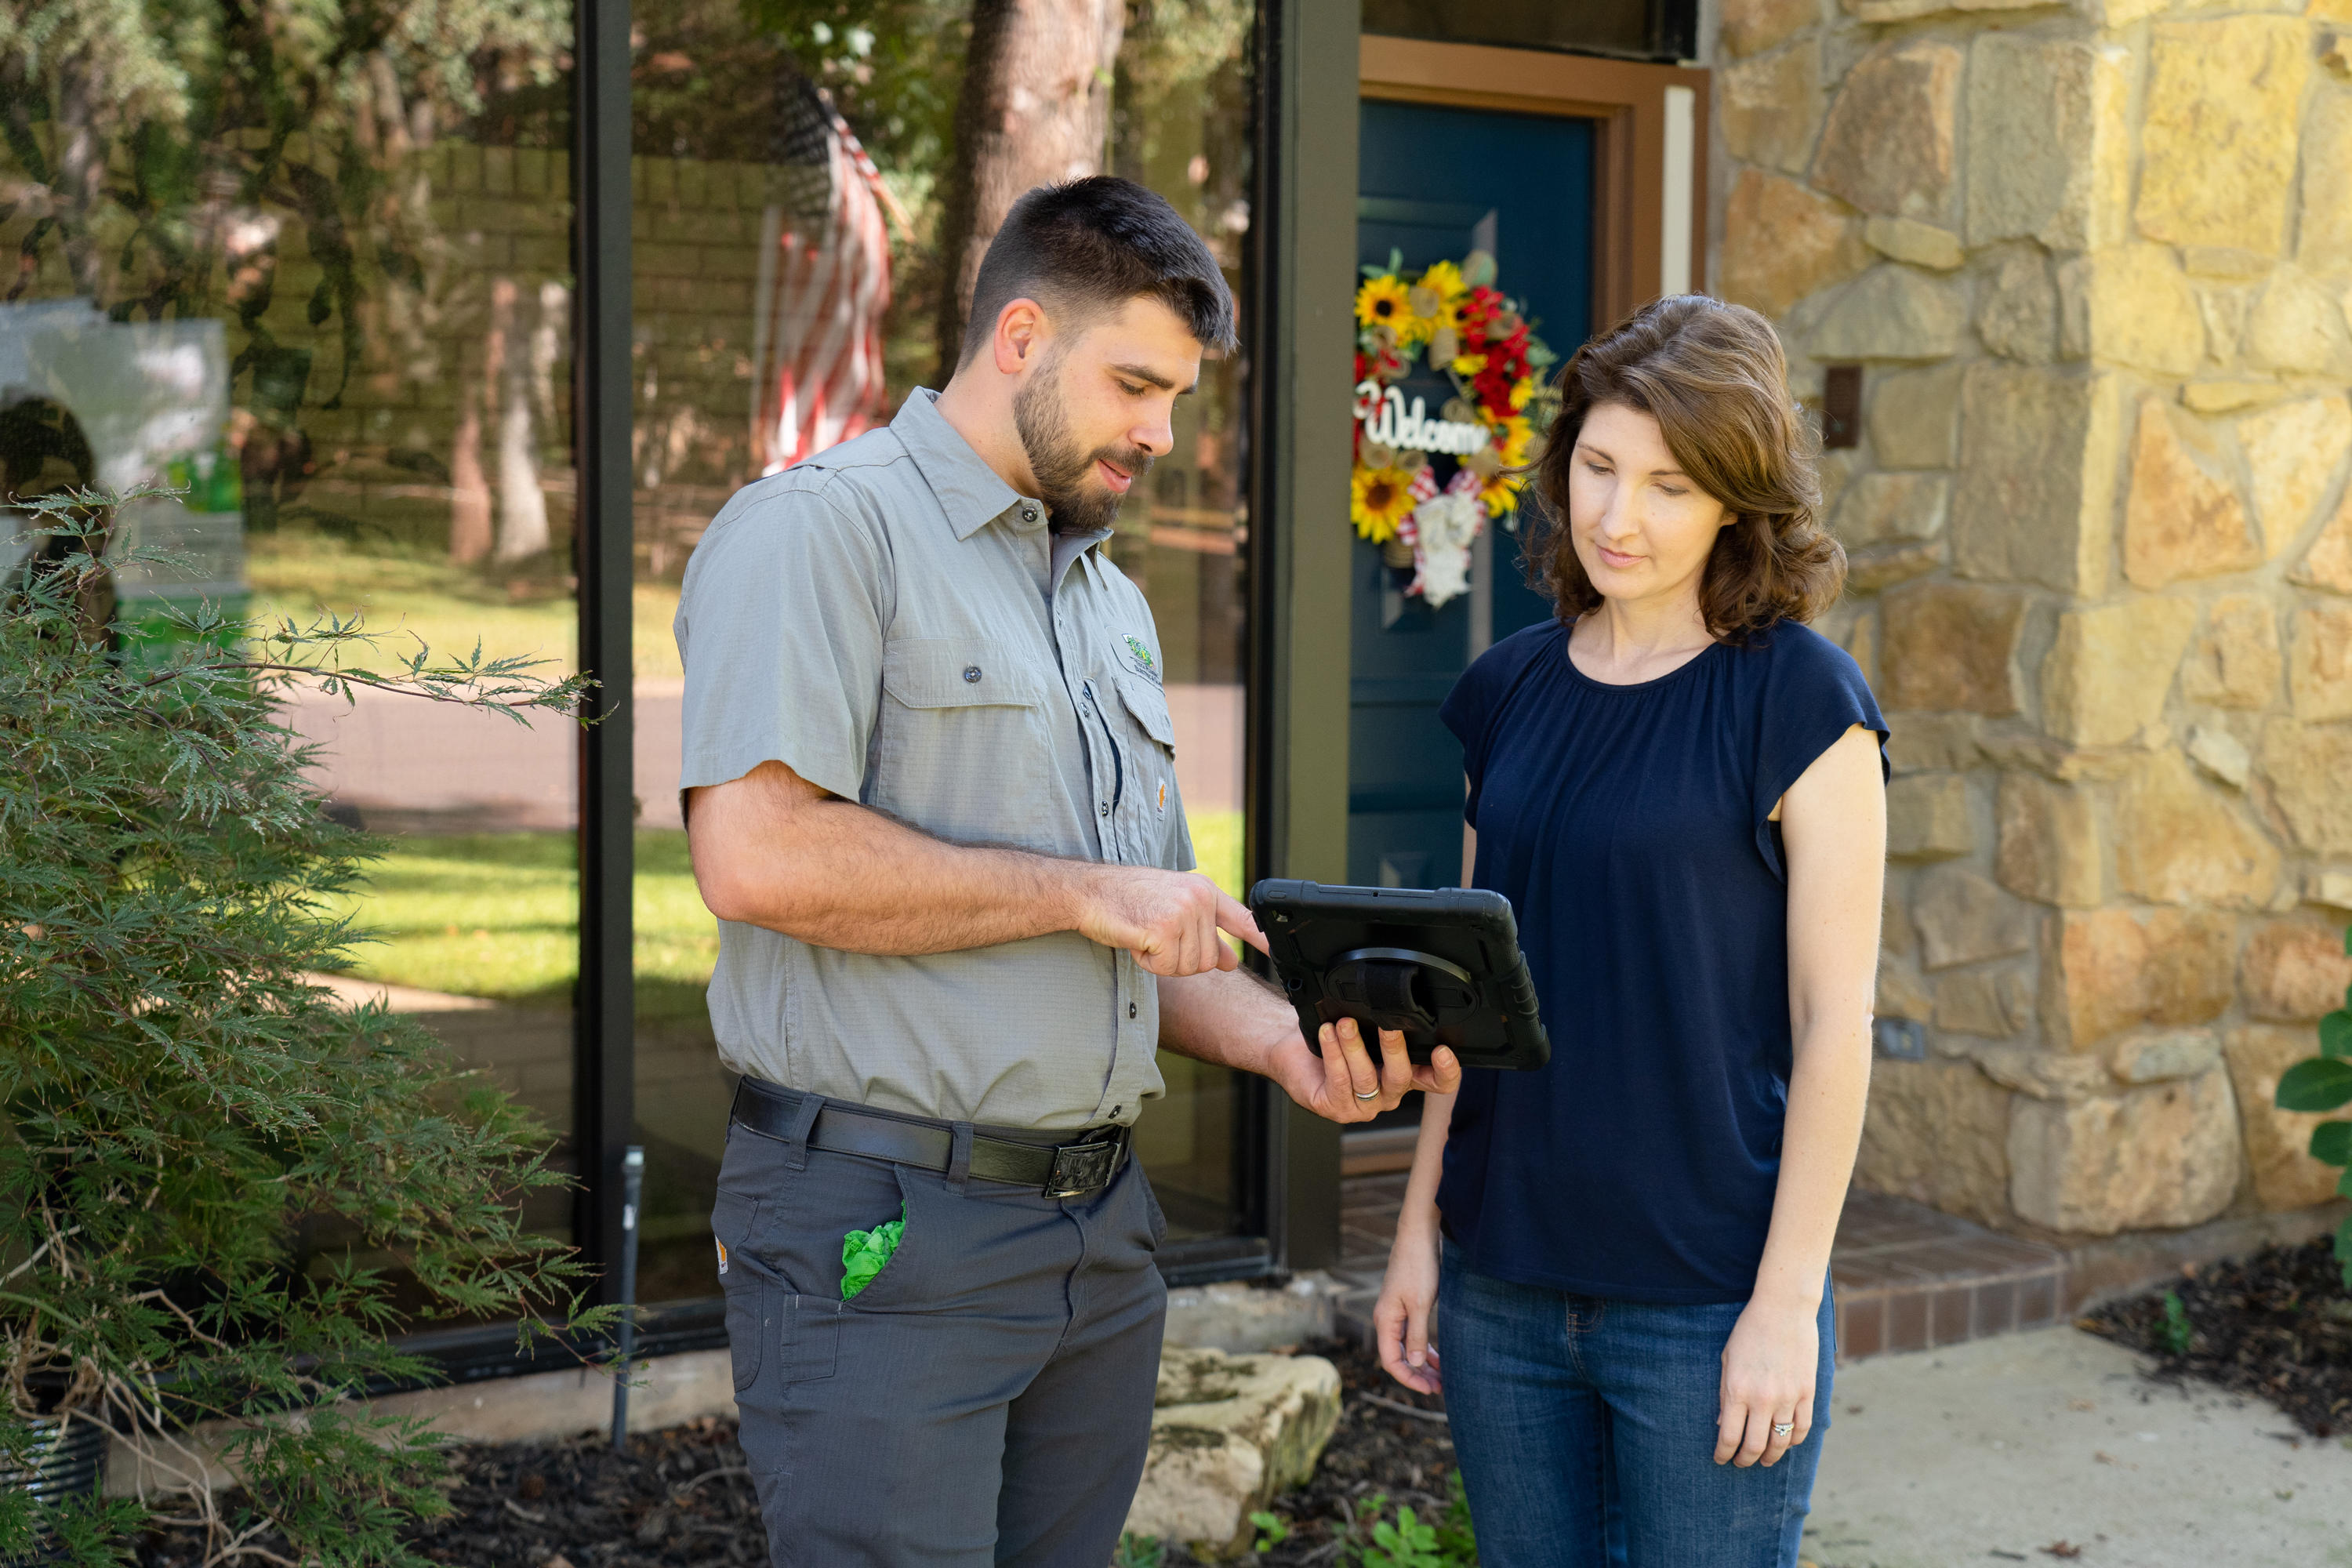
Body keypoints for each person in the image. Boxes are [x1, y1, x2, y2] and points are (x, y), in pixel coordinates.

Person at [676, 176, 1463, 1568]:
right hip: (885, 1231)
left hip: (1098, 1239)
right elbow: (756, 853)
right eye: (1137, 386)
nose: (1161, 433)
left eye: (1176, 398)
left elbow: (1147, 929)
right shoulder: (820, 531)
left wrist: (1290, 1047)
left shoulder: (1104, 597)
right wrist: (1086, 892)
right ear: (1023, 336)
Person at [1371, 296, 1887, 1568]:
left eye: (1667, 485)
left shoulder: (1803, 701)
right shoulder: (1509, 691)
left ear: (1733, 503)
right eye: (1598, 469)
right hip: (1504, 1286)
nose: (1618, 516)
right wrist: (1417, 1233)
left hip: (1709, 1298)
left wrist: (1785, 1303)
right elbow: (1469, 997)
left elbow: (1837, 1028)